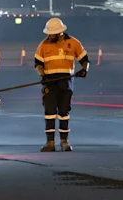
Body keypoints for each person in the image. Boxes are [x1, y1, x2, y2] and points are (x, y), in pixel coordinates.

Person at [34, 17, 89, 152]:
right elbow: (38, 64)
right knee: (50, 112)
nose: (49, 35)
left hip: (66, 81)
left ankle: (64, 141)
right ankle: (50, 142)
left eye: (51, 33)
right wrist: (42, 76)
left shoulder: (73, 43)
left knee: (64, 111)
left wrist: (84, 70)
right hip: (49, 81)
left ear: (59, 33)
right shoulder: (43, 45)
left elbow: (85, 59)